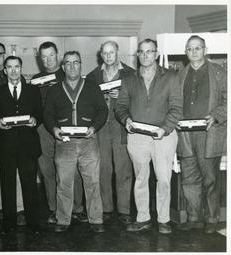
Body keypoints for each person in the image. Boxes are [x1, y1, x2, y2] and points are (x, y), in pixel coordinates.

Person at [115, 38, 183, 234]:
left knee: (163, 178)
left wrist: (165, 128)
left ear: (157, 54)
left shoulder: (171, 77)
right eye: (142, 52)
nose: (145, 56)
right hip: (137, 136)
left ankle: (163, 219)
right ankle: (143, 217)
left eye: (149, 51)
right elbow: (120, 106)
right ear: (137, 55)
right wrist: (126, 119)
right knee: (140, 178)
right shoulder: (129, 79)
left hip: (164, 135)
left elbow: (176, 107)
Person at [44, 51, 108, 233]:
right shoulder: (54, 89)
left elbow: (102, 111)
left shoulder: (92, 87)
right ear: (63, 67)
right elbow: (48, 115)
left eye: (76, 63)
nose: (72, 66)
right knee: (63, 182)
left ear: (81, 65)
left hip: (89, 141)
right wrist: (54, 129)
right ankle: (63, 219)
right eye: (68, 63)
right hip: (65, 143)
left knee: (92, 181)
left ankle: (96, 219)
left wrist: (94, 127)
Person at [0, 56, 43, 234]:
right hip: (7, 145)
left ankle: (33, 223)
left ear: (21, 68)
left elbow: (40, 114)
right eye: (9, 67)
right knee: (7, 185)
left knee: (30, 185)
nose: (13, 70)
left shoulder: (33, 91)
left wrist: (35, 120)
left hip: (28, 145)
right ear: (5, 71)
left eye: (16, 67)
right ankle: (8, 223)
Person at [176, 35, 227, 234]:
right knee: (189, 178)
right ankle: (193, 217)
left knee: (210, 178)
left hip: (209, 133)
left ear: (205, 50)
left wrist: (216, 116)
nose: (194, 52)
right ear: (185, 51)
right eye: (190, 49)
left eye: (198, 48)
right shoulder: (179, 75)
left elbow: (227, 100)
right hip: (185, 135)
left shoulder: (219, 73)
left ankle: (212, 218)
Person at [32, 42, 85, 224]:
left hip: (67, 127)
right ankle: (55, 208)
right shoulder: (36, 79)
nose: (48, 60)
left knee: (73, 168)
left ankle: (77, 208)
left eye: (51, 56)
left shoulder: (68, 73)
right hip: (43, 128)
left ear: (58, 55)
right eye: (44, 56)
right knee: (48, 169)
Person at [86, 41, 134, 224]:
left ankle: (124, 209)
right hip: (101, 126)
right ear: (101, 54)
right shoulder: (92, 76)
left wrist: (123, 95)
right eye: (105, 53)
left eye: (111, 52)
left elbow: (136, 98)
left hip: (121, 125)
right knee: (104, 169)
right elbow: (88, 102)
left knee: (124, 168)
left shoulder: (130, 74)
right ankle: (106, 208)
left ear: (118, 52)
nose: (108, 56)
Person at [0, 42, 26, 225]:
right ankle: (3, 207)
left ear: (5, 55)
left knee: (15, 168)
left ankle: (18, 208)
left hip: (12, 130)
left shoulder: (15, 74)